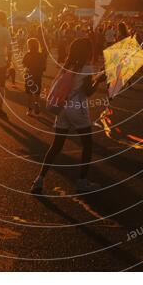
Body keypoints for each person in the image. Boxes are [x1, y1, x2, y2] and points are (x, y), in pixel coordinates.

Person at [31, 38, 106, 194]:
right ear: (87, 52)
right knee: (87, 145)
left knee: (56, 145)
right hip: (77, 107)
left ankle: (39, 179)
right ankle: (82, 182)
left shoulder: (67, 66)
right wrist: (98, 80)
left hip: (63, 107)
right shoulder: (86, 68)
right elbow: (88, 92)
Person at [22, 37, 47, 116]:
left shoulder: (27, 54)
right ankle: (36, 104)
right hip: (38, 75)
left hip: (29, 75)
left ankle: (29, 109)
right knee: (37, 92)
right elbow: (44, 67)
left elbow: (24, 64)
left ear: (29, 46)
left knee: (29, 93)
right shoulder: (40, 55)